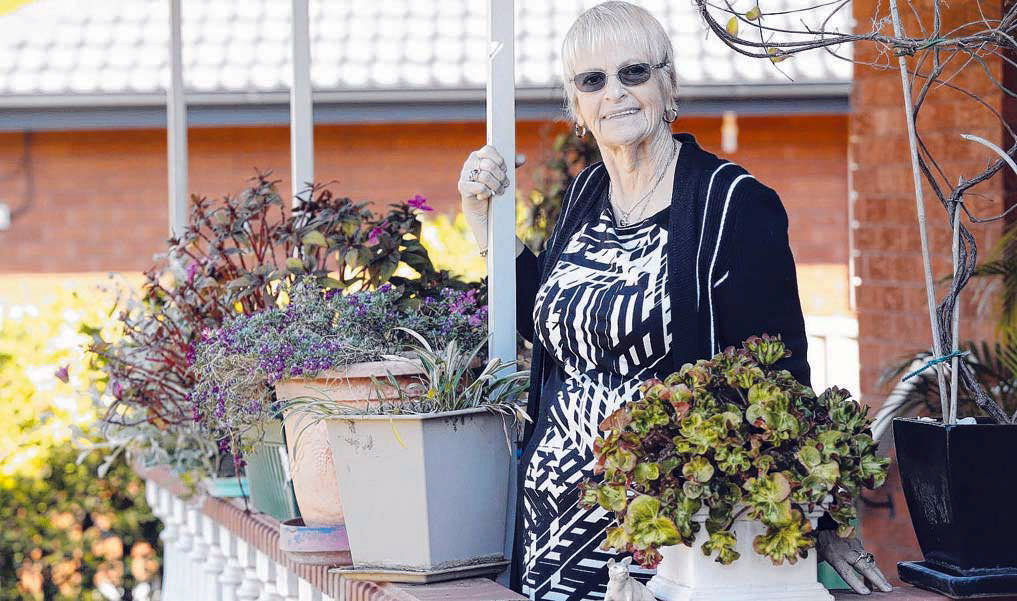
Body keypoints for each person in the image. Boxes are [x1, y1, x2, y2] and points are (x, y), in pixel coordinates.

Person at [457, 2, 893, 599]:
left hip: (669, 530)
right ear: (576, 106)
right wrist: (484, 226)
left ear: (668, 84)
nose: (616, 93)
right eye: (593, 80)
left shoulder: (733, 203)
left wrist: (823, 520)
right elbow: (552, 322)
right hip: (552, 525)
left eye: (633, 72)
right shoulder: (586, 194)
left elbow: (782, 370)